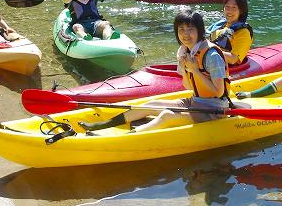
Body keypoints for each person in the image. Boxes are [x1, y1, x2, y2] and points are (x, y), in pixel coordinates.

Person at [80, 10, 232, 133]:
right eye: (181, 30)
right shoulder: (187, 52)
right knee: (151, 104)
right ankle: (102, 125)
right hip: (196, 102)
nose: (186, 34)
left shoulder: (211, 55)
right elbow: (189, 86)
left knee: (167, 115)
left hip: (216, 109)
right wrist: (186, 69)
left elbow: (218, 92)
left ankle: (129, 136)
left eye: (191, 29)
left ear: (200, 31)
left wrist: (195, 71)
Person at [206, 0, 253, 65]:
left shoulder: (243, 32)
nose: (229, 11)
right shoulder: (220, 25)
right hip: (211, 62)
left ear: (241, 11)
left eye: (234, 8)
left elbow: (233, 59)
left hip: (227, 68)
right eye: (227, 7)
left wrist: (206, 51)